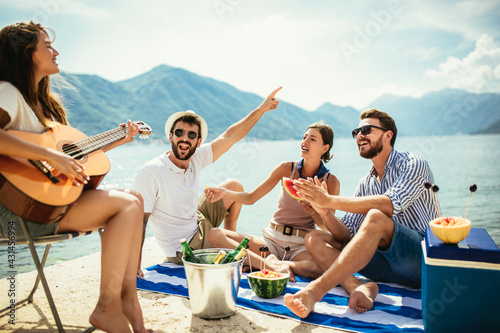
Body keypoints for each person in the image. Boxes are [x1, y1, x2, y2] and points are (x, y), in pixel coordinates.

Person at [0, 22, 152, 333]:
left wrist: (120, 138)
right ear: (26, 54)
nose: (56, 51)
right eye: (47, 45)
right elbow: (52, 156)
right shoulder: (7, 92)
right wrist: (52, 156)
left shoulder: (46, 109)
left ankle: (127, 300)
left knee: (135, 198)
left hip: (46, 204)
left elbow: (70, 154)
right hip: (18, 211)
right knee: (126, 206)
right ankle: (109, 307)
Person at [284, 109, 441, 318]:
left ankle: (315, 290)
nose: (359, 136)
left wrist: (329, 200)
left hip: (419, 260)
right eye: (356, 132)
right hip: (383, 267)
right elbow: (346, 234)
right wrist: (324, 213)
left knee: (376, 217)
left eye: (367, 130)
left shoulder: (413, 164)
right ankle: (357, 287)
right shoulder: (366, 183)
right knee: (315, 238)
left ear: (388, 135)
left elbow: (390, 205)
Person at [133, 87, 281, 272]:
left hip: (197, 220)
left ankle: (229, 243)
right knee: (224, 238)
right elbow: (138, 221)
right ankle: (262, 264)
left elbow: (231, 135)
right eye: (179, 133)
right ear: (170, 136)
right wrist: (135, 265)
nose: (184, 139)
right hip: (182, 246)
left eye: (191, 135)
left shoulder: (195, 157)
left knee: (234, 186)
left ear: (198, 141)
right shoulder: (151, 172)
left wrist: (261, 109)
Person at [204, 122, 340, 281]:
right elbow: (250, 198)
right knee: (214, 235)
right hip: (271, 240)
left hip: (301, 245)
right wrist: (226, 192)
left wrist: (314, 212)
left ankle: (277, 264)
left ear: (325, 148)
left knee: (325, 267)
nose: (305, 141)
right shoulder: (286, 169)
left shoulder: (331, 182)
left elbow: (326, 226)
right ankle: (270, 263)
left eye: (312, 139)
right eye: (304, 137)